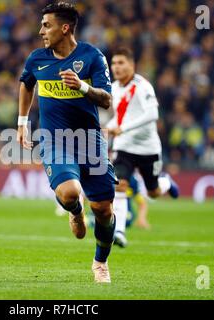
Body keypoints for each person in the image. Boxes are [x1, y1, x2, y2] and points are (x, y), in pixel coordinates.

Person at [18, 2, 118, 283]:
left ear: (65, 28)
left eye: (46, 25)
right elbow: (26, 84)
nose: (41, 31)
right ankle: (75, 212)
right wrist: (22, 123)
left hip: (90, 141)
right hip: (54, 140)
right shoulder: (37, 59)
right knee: (70, 193)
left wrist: (82, 86)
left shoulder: (92, 57)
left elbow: (107, 100)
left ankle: (100, 263)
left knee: (103, 210)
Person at [106, 47, 179, 247]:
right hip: (124, 147)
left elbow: (152, 115)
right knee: (119, 185)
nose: (116, 67)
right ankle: (119, 231)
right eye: (114, 63)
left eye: (121, 63)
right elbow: (121, 118)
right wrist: (110, 128)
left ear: (132, 65)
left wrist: (123, 128)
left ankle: (166, 182)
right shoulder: (113, 88)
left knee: (153, 191)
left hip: (148, 148)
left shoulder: (143, 86)